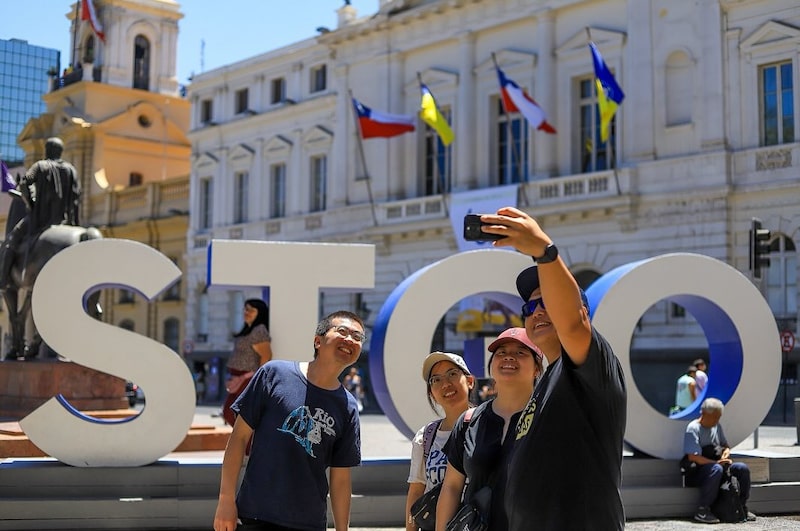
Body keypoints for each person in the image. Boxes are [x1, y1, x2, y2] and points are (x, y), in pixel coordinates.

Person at [478, 206, 627, 531]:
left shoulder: (590, 366)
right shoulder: (547, 381)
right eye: (530, 306)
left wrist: (545, 254)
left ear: (583, 314)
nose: (537, 311)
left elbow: (572, 325)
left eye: (548, 302)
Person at [213, 310, 364, 531]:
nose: (350, 339)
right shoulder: (273, 374)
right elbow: (238, 438)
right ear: (318, 341)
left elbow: (341, 478)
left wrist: (343, 529)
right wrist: (226, 500)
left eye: (358, 337)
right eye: (342, 331)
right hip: (256, 515)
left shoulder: (348, 406)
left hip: (309, 523)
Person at [436, 327, 544, 531]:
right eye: (501, 353)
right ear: (491, 366)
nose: (508, 357)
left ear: (537, 368)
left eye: (520, 352)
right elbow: (451, 487)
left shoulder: (549, 419)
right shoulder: (469, 421)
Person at [405, 352, 474, 531]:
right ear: (432, 393)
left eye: (452, 374)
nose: (446, 384)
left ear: (470, 381)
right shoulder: (426, 436)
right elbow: (416, 491)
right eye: (436, 380)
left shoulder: (488, 425)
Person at [0, 137, 80, 289]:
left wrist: (30, 201)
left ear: (47, 150)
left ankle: (3, 280)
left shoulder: (40, 166)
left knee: (10, 241)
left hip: (41, 219)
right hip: (66, 220)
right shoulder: (71, 170)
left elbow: (25, 182)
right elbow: (77, 196)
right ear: (61, 151)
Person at [682, 397, 756, 523]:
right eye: (715, 417)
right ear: (705, 414)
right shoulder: (693, 429)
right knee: (716, 469)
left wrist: (726, 454)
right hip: (699, 470)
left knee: (742, 468)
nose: (717, 420)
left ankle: (741, 506)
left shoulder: (717, 426)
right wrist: (716, 463)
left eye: (719, 417)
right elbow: (693, 457)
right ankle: (703, 509)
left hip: (718, 465)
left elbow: (725, 445)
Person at [222, 298, 273, 427]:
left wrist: (258, 380)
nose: (246, 312)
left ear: (260, 313)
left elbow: (266, 356)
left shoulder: (259, 331)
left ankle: (250, 444)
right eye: (245, 309)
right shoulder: (249, 330)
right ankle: (247, 444)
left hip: (247, 378)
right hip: (238, 378)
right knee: (231, 413)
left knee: (237, 414)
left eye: (251, 310)